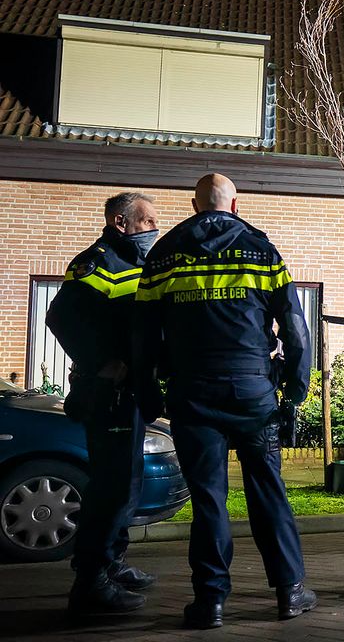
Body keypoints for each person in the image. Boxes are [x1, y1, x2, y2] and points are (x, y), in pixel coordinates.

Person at [133, 174, 316, 629]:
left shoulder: (164, 252)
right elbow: (295, 328)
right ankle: (290, 591)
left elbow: (142, 335)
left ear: (195, 205)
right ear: (235, 205)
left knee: (208, 498)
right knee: (267, 490)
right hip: (253, 391)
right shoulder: (260, 248)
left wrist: (147, 390)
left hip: (192, 393)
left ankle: (210, 601)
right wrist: (294, 389)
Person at [47, 192, 160, 615]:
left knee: (126, 484)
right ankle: (90, 582)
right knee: (112, 488)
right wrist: (102, 362)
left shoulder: (133, 264)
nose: (153, 230)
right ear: (120, 222)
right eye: (147, 222)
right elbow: (59, 317)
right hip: (107, 394)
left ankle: (112, 562)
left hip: (128, 393)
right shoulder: (95, 263)